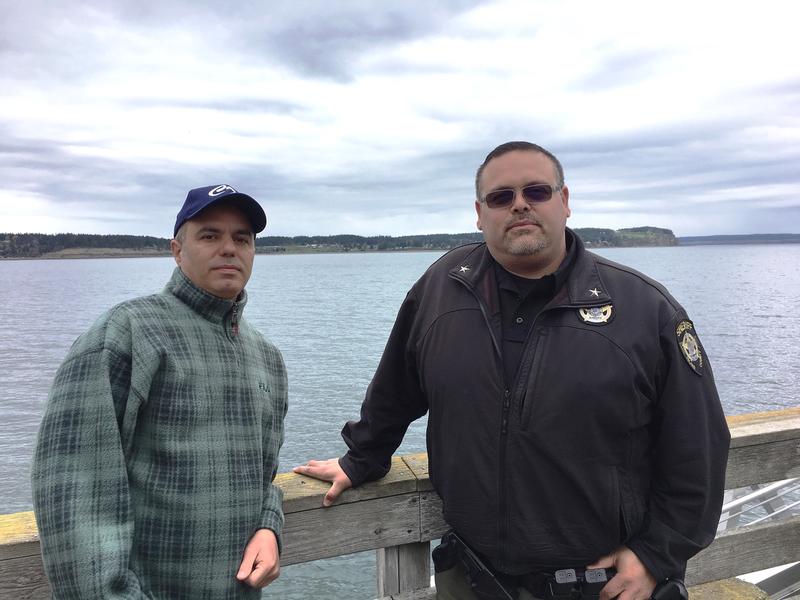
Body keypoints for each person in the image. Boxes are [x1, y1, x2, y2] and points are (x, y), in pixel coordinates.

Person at [295, 142, 730, 600]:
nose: (520, 204)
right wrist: (360, 459)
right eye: (501, 197)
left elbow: (698, 446)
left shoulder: (643, 309)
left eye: (537, 191)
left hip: (598, 585)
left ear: (564, 202)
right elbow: (395, 389)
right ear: (480, 214)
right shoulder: (442, 288)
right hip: (471, 573)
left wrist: (657, 555)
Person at [31, 184, 288, 599]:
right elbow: (74, 494)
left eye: (242, 238)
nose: (229, 248)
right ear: (177, 250)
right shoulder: (126, 333)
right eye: (209, 235)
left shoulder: (267, 357)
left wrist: (269, 524)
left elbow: (266, 475)